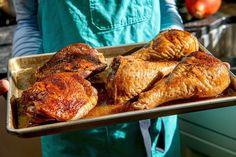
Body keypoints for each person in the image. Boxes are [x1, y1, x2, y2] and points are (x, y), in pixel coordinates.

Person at [0, 0, 184, 157]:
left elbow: (166, 8)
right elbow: (28, 20)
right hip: (68, 124)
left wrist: (177, 47)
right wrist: (27, 82)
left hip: (155, 108)